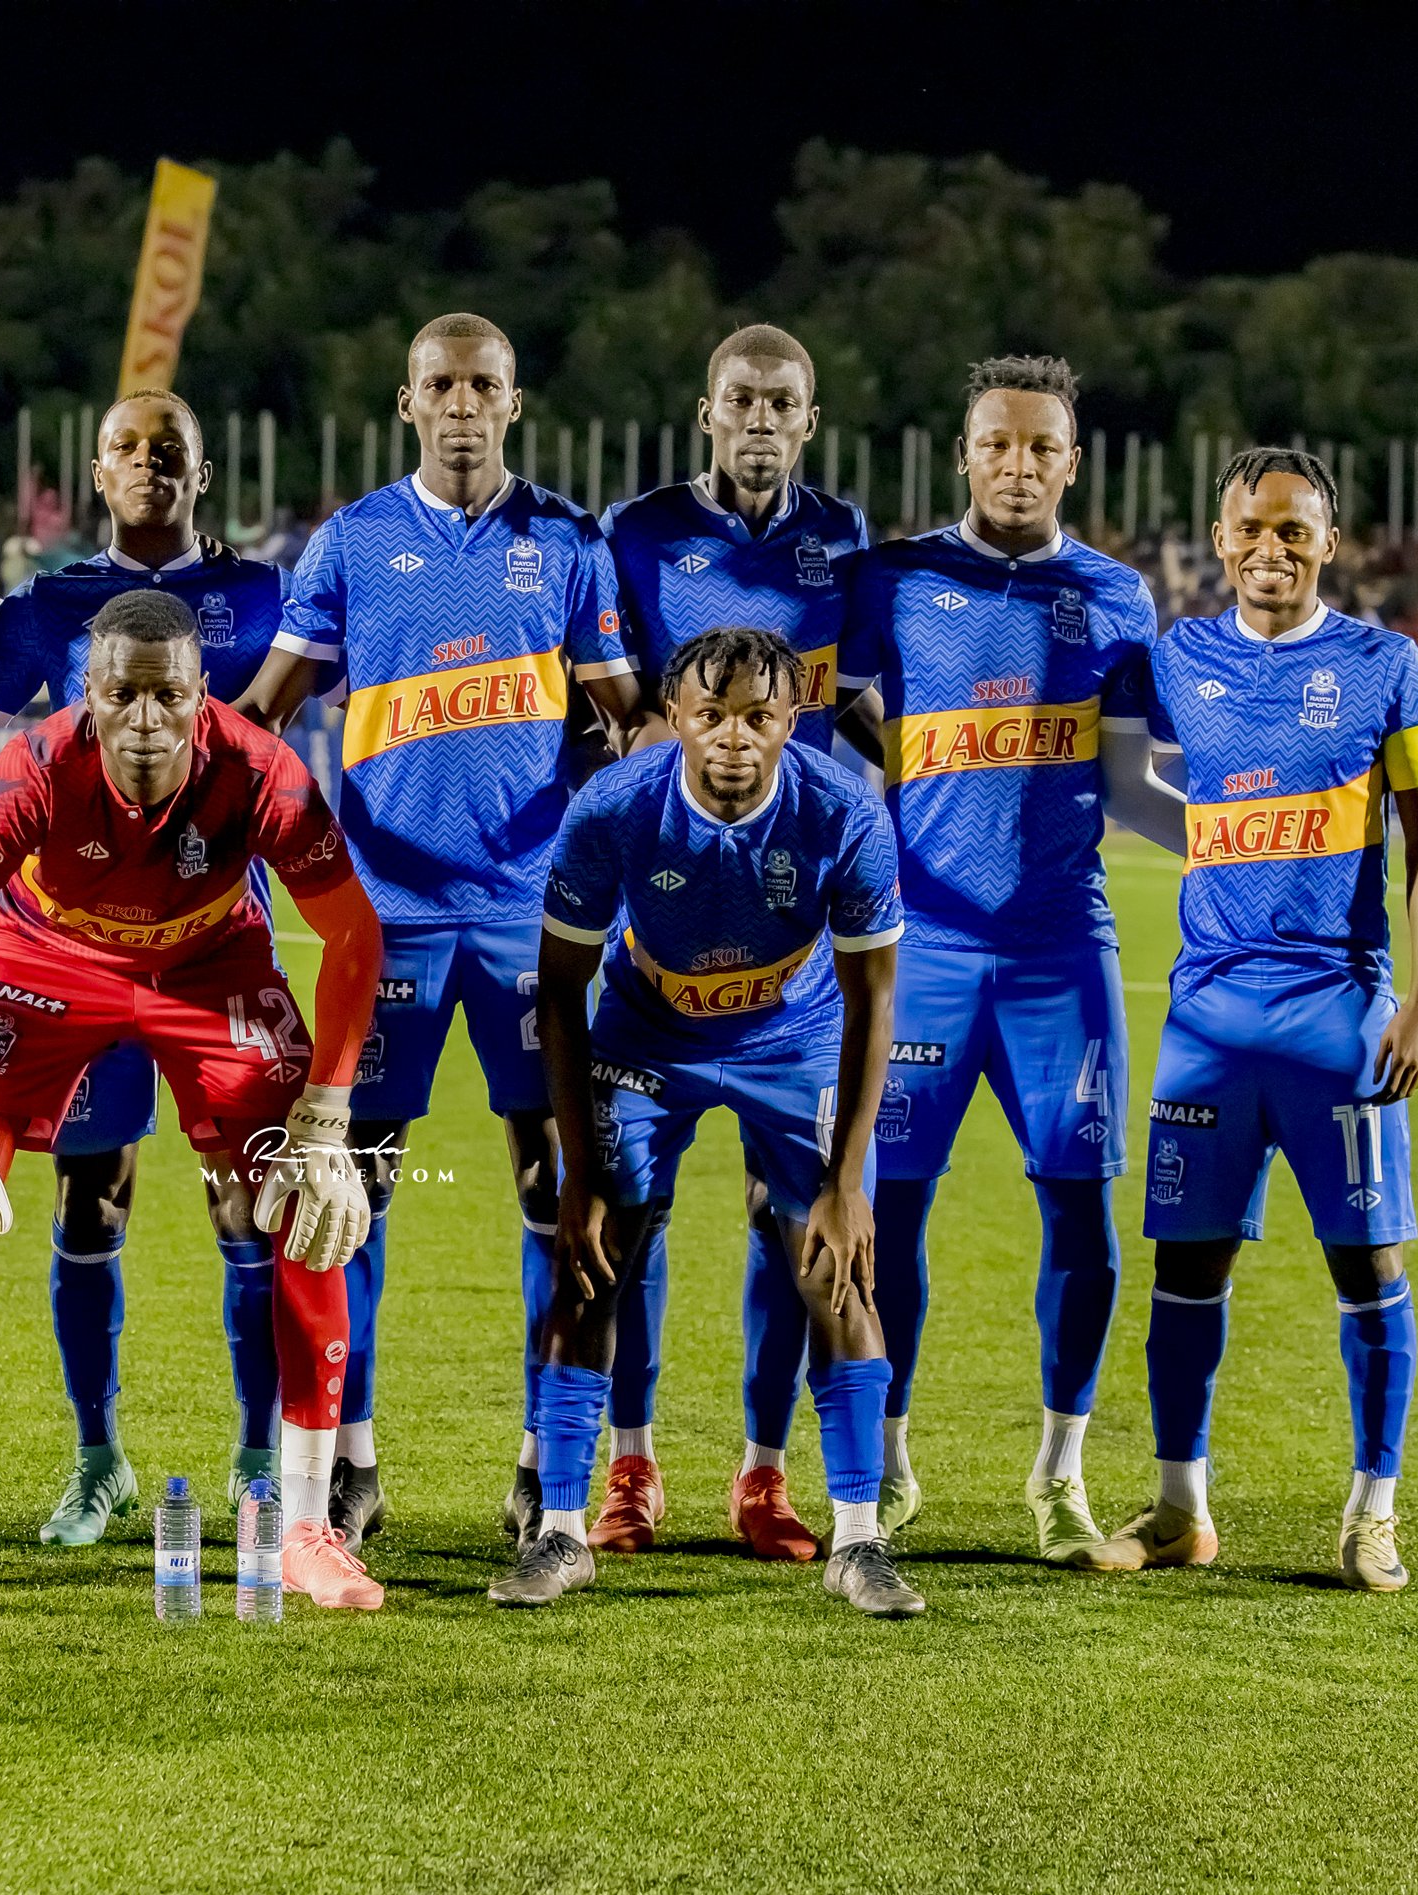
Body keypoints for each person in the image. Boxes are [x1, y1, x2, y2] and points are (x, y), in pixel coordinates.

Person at [0, 590, 386, 1609]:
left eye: (168, 696)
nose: (145, 719)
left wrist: (325, 1114)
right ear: (86, 695)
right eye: (122, 695)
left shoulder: (262, 771)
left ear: (202, 694)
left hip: (209, 965)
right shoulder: (34, 769)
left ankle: (307, 1532)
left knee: (308, 1203)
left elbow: (354, 931)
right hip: (44, 957)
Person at [235, 313, 653, 1553]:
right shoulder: (353, 541)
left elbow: (626, 715)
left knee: (554, 1183)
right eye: (441, 384)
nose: (462, 404)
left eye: (483, 384)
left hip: (531, 918)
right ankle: (351, 1464)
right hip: (386, 918)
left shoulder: (568, 541)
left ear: (513, 402)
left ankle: (540, 1462)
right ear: (407, 401)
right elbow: (266, 709)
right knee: (351, 1191)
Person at [0, 387, 292, 1540]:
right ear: (97, 472)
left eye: (169, 446)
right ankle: (98, 1460)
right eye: (127, 446)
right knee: (91, 1200)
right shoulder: (52, 607)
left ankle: (260, 1462)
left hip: (218, 945)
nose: (149, 461)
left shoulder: (264, 594)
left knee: (252, 1200)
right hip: (75, 950)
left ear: (202, 469)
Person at [1097, 446, 1418, 1590]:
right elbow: (1120, 781)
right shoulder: (1177, 659)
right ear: (1219, 538)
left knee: (1368, 1262)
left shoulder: (1383, 665)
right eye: (1251, 527)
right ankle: (1178, 1507)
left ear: (1328, 544)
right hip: (1206, 1016)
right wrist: (1210, 838)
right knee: (1185, 1264)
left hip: (1337, 1014)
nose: (1271, 549)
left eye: (1294, 530)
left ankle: (1372, 1512)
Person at [826, 354, 1164, 1564]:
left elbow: (1134, 780)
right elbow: (833, 720)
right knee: (889, 1210)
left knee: (1083, 1212)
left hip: (1061, 950)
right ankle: (891, 1460)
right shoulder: (895, 576)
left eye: (1041, 448)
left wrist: (1259, 833)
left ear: (1072, 463)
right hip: (920, 948)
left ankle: (1061, 1475)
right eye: (998, 444)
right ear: (964, 454)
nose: (1018, 466)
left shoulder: (1117, 596)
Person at [513, 625, 919, 1615]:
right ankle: (560, 1531)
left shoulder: (845, 815)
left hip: (795, 1039)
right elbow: (559, 990)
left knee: (836, 1267)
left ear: (792, 721)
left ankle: (859, 1541)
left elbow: (873, 999)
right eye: (711, 715)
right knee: (592, 1258)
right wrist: (578, 1173)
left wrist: (847, 1180)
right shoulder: (613, 808)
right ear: (675, 717)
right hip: (648, 1036)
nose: (733, 737)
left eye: (757, 717)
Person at [591, 322, 870, 1560]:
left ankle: (764, 1473)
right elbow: (609, 704)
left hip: (791, 932)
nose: (760, 419)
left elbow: (856, 705)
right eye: (741, 400)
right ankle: (630, 1464)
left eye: (781, 402)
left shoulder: (842, 539)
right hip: (663, 907)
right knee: (631, 1213)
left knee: (785, 1215)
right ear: (707, 411)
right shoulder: (639, 533)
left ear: (808, 419)